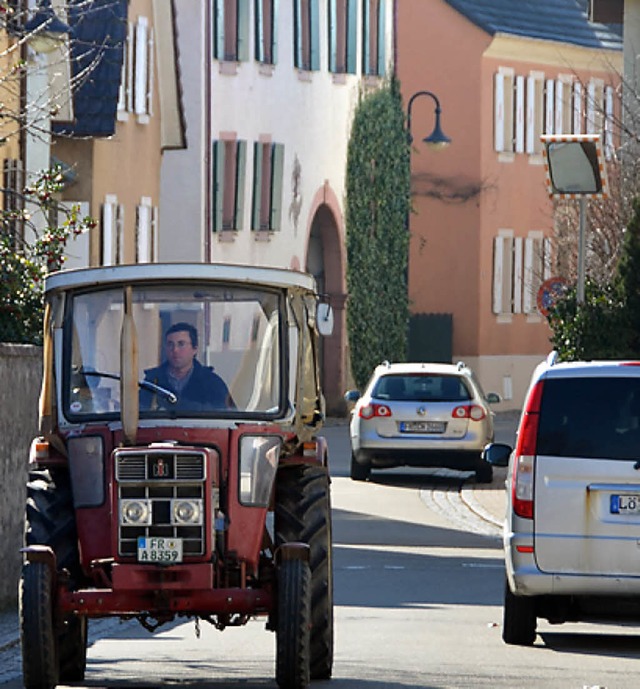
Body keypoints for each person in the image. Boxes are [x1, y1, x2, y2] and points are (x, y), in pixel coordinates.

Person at [140, 322, 235, 411]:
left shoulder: (211, 383)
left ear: (195, 349)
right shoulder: (152, 381)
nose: (175, 350)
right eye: (170, 344)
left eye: (181, 344)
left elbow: (227, 416)